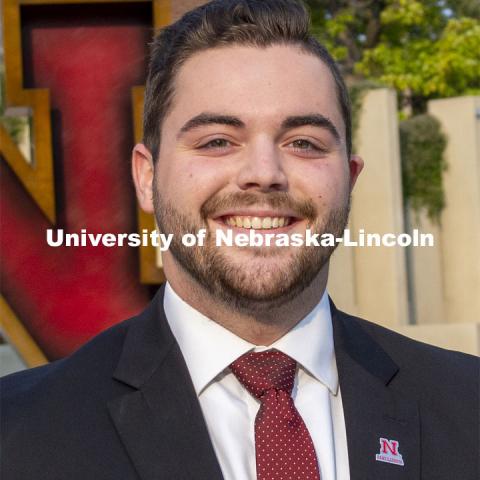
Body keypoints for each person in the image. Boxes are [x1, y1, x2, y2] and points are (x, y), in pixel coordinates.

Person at [1, 1, 478, 479]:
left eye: (304, 143)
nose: (264, 174)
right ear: (147, 178)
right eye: (217, 141)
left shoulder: (467, 406)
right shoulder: (18, 434)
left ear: (350, 179)